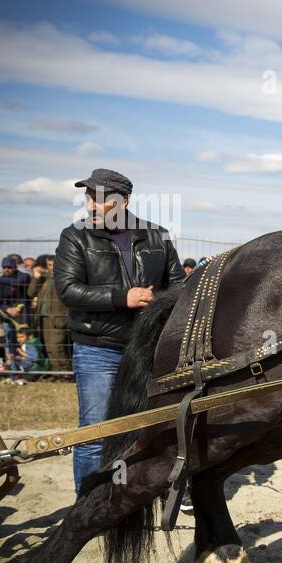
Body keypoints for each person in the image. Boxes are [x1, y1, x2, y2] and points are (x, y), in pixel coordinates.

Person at [56, 168, 184, 494]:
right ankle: (87, 504)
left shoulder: (158, 236)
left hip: (146, 349)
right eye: (89, 198)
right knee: (95, 431)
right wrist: (120, 297)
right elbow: (68, 290)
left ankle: (133, 496)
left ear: (123, 200)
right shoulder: (75, 236)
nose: (92, 206)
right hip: (97, 347)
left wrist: (161, 301)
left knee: (146, 426)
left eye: (101, 199)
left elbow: (180, 288)